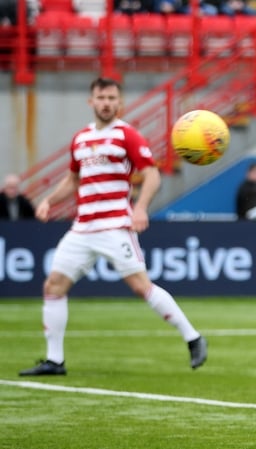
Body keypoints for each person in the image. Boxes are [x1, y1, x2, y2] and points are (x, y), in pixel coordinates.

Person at [19, 77, 208, 376]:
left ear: (119, 103)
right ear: (91, 101)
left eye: (111, 98)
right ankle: (55, 361)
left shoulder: (128, 136)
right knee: (53, 285)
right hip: (82, 228)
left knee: (140, 286)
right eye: (101, 97)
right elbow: (73, 179)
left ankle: (193, 338)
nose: (106, 103)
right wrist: (48, 201)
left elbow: (152, 175)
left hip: (114, 226)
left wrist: (140, 208)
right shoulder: (80, 138)